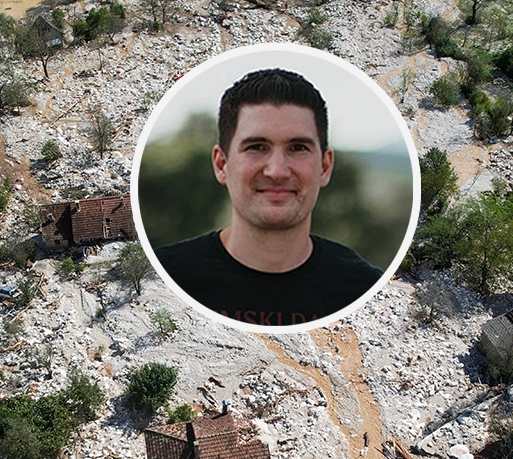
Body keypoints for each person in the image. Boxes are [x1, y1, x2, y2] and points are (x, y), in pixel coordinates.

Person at [154, 68, 382, 327]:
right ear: (221, 164)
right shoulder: (161, 279)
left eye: (298, 148)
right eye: (257, 147)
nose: (277, 171)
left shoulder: (366, 291)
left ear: (325, 167)